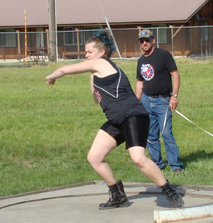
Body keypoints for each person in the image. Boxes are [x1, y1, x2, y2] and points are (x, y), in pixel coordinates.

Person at [45, 31, 184, 209]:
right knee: (94, 157)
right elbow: (97, 100)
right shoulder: (95, 71)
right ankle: (117, 194)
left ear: (101, 52)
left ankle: (168, 190)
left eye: (89, 52)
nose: (86, 55)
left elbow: (64, 70)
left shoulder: (101, 63)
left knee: (138, 158)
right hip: (117, 119)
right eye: (85, 52)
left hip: (133, 116)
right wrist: (93, 80)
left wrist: (51, 76)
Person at [135, 29, 183, 173]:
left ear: (153, 40)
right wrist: (136, 103)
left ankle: (175, 165)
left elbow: (175, 75)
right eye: (142, 41)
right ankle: (157, 164)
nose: (144, 43)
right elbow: (139, 82)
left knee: (166, 133)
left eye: (147, 40)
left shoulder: (163, 55)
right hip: (146, 100)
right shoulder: (141, 61)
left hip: (162, 100)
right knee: (150, 135)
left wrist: (174, 96)